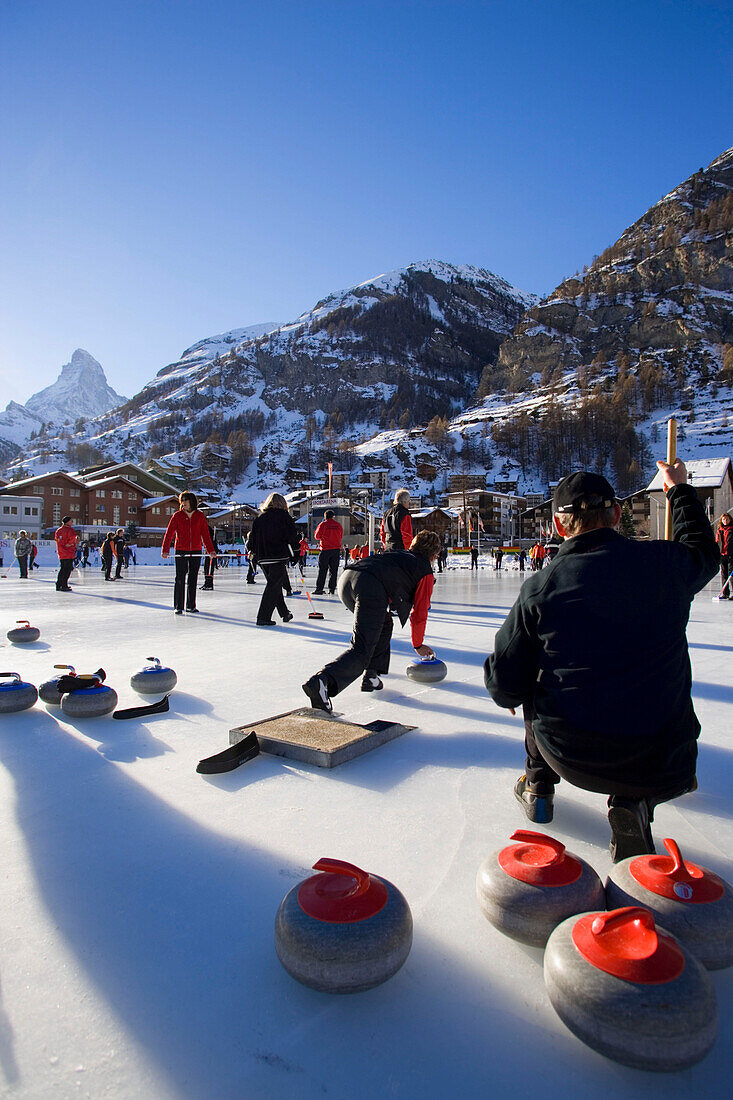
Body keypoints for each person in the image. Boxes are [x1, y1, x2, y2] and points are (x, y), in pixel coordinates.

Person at [483, 465, 719, 862]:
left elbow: (504, 679)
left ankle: (539, 786)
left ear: (559, 526)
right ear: (614, 516)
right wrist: (678, 490)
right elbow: (703, 550)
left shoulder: (542, 587)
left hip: (572, 754)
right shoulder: (666, 565)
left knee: (530, 683)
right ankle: (633, 803)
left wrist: (509, 689)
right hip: (663, 759)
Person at [302, 530, 442, 712]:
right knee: (362, 648)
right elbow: (420, 612)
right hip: (369, 587)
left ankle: (372, 675)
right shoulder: (424, 570)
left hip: (346, 579)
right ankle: (322, 682)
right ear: (434, 555)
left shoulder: (399, 554)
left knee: (384, 623)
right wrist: (418, 644)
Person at [246, 492, 299, 626]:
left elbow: (252, 538)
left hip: (262, 557)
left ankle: (284, 613)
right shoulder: (284, 517)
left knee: (274, 584)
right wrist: (296, 554)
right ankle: (263, 617)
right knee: (273, 586)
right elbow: (292, 537)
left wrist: (251, 549)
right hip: (278, 555)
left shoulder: (260, 518)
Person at [162, 492, 216, 614]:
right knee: (180, 577)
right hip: (181, 550)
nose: (184, 503)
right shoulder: (177, 515)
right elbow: (169, 533)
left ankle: (191, 605)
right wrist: (165, 549)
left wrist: (210, 550)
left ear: (192, 502)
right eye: (182, 500)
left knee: (193, 577)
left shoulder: (199, 516)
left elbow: (205, 535)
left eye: (186, 500)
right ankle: (178, 606)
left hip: (196, 550)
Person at [313, 508, 343, 595]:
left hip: (325, 550)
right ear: (333, 517)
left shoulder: (323, 524)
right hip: (336, 550)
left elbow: (317, 536)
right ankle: (332, 589)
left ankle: (319, 589)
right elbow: (340, 536)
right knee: (334, 571)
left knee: (322, 570)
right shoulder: (338, 525)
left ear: (325, 517)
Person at [54, 515, 79, 592]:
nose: (72, 522)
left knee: (62, 568)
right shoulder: (70, 530)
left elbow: (57, 539)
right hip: (68, 552)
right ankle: (64, 584)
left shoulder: (58, 530)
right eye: (71, 521)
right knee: (67, 569)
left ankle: (59, 584)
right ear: (67, 522)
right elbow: (72, 538)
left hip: (61, 552)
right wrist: (70, 543)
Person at [716, 512, 732, 597]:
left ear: (730, 520)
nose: (725, 521)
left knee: (731, 574)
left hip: (731, 555)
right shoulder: (720, 530)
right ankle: (725, 593)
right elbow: (717, 541)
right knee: (723, 574)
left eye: (727, 519)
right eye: (724, 519)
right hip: (722, 554)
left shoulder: (731, 529)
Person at [201, 523, 219, 590]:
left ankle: (209, 584)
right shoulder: (207, 528)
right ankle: (206, 583)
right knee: (206, 568)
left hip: (211, 551)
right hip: (209, 550)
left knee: (209, 568)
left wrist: (211, 550)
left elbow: (210, 541)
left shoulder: (207, 529)